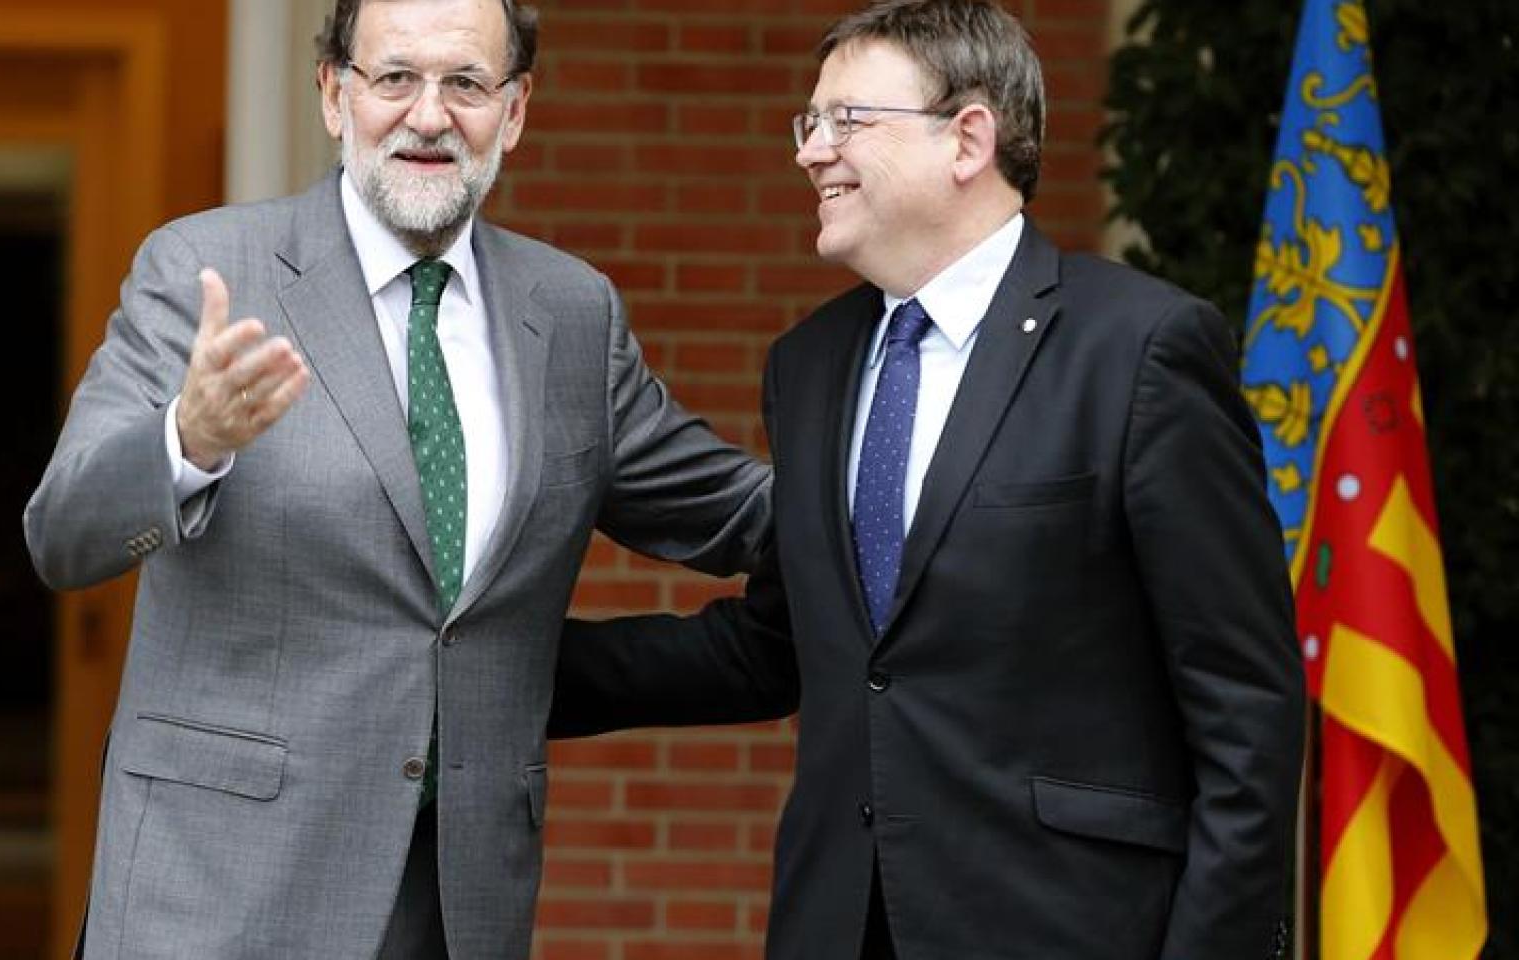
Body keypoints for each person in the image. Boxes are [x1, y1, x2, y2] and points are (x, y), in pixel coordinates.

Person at [550, 2, 1305, 958]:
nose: (811, 151)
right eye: (808, 122)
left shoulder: (1140, 352)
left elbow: (1247, 712)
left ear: (969, 139)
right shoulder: (810, 365)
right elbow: (785, 645)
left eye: (847, 120)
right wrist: (497, 668)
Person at [22, 0, 770, 956]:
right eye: (395, 78)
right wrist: (188, 439)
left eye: (465, 83)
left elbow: (731, 509)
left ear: (517, 108)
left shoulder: (571, 312)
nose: (428, 115)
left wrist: (928, 510)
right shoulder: (206, 266)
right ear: (335, 94)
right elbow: (63, 534)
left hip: (456, 904)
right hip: (220, 895)